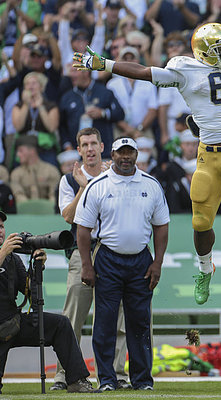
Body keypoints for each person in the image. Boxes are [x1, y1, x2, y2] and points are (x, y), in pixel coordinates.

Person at [74, 23, 221, 312]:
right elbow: (143, 71)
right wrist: (105, 64)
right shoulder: (184, 70)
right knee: (201, 222)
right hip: (209, 155)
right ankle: (205, 269)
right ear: (204, 52)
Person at [75, 137, 170, 391]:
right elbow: (83, 229)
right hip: (108, 258)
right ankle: (106, 379)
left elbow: (161, 226)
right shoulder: (98, 185)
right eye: (121, 153)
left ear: (137, 154)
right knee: (105, 322)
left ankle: (142, 380)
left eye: (130, 153)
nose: (125, 157)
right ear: (113, 155)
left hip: (141, 259)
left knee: (139, 322)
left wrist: (158, 263)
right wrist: (86, 265)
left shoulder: (151, 184)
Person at [0, 210, 95, 394]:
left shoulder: (12, 259)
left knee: (60, 324)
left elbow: (30, 292)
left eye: (1, 226)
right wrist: (3, 253)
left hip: (12, 325)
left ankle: (76, 381)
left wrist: (37, 268)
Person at [51, 128, 130, 392]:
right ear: (79, 150)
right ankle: (64, 375)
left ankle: (116, 374)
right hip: (80, 251)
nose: (89, 149)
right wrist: (84, 187)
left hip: (111, 250)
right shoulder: (69, 180)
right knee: (72, 317)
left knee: (116, 317)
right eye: (84, 145)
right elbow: (69, 217)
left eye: (93, 143)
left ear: (102, 146)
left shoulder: (115, 177)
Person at [11, 72, 61, 166]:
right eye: (27, 84)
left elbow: (51, 127)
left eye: (34, 83)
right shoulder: (19, 106)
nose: (30, 86)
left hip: (44, 148)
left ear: (41, 87)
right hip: (24, 148)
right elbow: (18, 126)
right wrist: (26, 105)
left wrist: (40, 107)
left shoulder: (50, 106)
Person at [9, 135, 61, 205]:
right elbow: (19, 196)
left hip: (48, 213)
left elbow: (54, 196)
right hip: (24, 213)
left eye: (20, 150)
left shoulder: (51, 171)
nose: (18, 154)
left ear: (32, 151)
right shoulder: (16, 174)